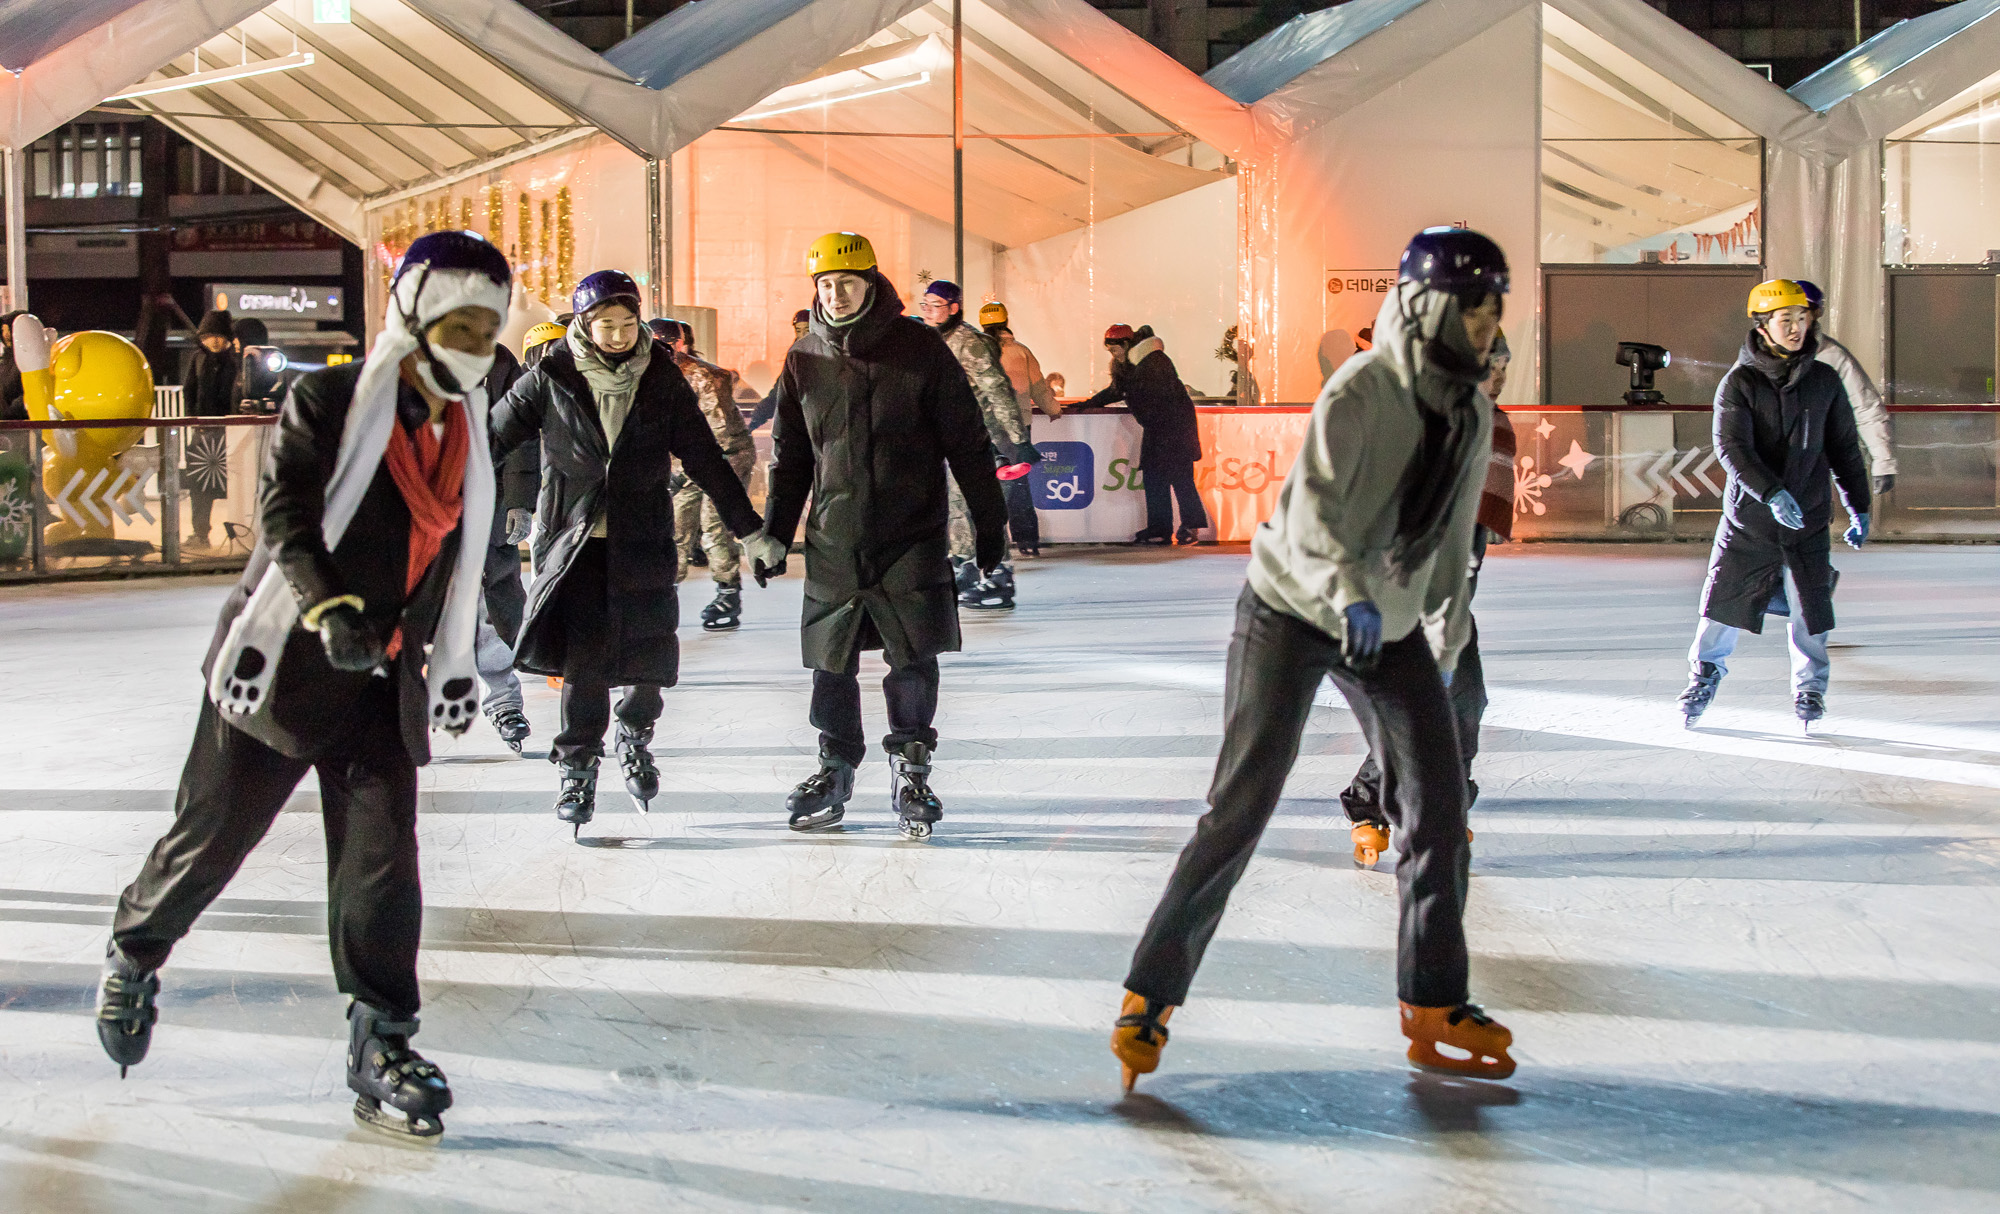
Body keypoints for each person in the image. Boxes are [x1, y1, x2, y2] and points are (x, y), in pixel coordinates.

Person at [95, 229, 511, 1140]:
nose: (476, 343)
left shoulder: (469, 432)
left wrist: (478, 651)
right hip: (283, 664)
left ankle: (381, 1039)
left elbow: (472, 557)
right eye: (461, 322)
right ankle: (135, 950)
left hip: (383, 681)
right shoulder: (327, 397)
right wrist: (327, 611)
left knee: (381, 864)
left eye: (490, 327)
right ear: (414, 314)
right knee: (211, 839)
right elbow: (283, 514)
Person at [1112, 227, 1516, 1092]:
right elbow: (1316, 520)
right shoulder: (1362, 391)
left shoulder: (1474, 409)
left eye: (1492, 311)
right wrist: (1352, 600)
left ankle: (1435, 1002)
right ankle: (1151, 991)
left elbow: (1449, 544)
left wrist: (1441, 648)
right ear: (1422, 307)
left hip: (1391, 623)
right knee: (1240, 805)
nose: (1483, 328)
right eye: (1469, 310)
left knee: (1437, 810)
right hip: (1294, 608)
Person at [748, 232, 1007, 840]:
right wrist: (774, 533)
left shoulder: (918, 348)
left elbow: (967, 441)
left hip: (910, 534)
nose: (836, 295)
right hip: (835, 538)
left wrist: (992, 521)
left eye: (848, 283)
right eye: (825, 285)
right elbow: (790, 459)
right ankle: (835, 765)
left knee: (912, 656)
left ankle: (911, 766)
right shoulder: (803, 356)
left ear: (872, 283)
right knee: (829, 662)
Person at [491, 271, 762, 830]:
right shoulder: (552, 374)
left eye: (627, 323)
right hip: (574, 543)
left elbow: (703, 455)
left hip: (643, 537)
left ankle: (636, 734)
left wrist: (750, 528)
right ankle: (578, 764)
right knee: (584, 662)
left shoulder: (662, 377)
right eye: (605, 325)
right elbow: (490, 438)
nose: (617, 335)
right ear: (584, 325)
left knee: (648, 657)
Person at [1339, 328, 1515, 867]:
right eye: (1486, 365)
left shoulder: (1495, 426)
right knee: (1413, 717)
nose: (1496, 376)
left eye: (1502, 365)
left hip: (1447, 600)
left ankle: (1438, 807)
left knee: (1463, 705)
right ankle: (1384, 804)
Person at [1679, 279, 1871, 732]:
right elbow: (1731, 447)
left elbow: (1844, 447)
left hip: (1806, 519)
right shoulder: (1739, 383)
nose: (1797, 328)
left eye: (1803, 319)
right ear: (1763, 326)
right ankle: (1704, 675)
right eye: (1787, 320)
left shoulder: (1823, 381)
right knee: (1722, 604)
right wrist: (1770, 492)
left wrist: (1859, 505)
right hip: (1749, 521)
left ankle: (1810, 688)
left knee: (1810, 606)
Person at [475, 320, 564, 753]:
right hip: (424, 509)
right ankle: (407, 716)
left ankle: (504, 702)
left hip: (485, 501)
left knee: (493, 601)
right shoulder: (400, 364)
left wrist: (516, 500)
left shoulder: (496, 362)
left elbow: (518, 438)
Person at [920, 281, 1036, 609]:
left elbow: (999, 392)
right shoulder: (932, 341)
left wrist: (1019, 440)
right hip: (951, 441)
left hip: (983, 440)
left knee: (981, 508)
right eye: (925, 304)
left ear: (954, 308)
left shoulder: (969, 344)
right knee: (956, 507)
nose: (929, 311)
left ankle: (998, 575)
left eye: (936, 305)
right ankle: (965, 569)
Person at [652, 317, 756, 630]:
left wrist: (681, 472)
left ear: (677, 344)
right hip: (686, 461)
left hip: (725, 458)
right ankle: (665, 592)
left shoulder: (705, 376)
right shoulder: (650, 374)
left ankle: (728, 592)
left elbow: (721, 434)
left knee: (714, 526)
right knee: (677, 527)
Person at [1082, 323, 1209, 545]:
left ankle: (1191, 525)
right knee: (1154, 478)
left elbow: (1159, 397)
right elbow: (1116, 391)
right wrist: (1088, 403)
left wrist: (1144, 409)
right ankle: (1160, 528)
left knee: (1181, 477)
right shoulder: (1130, 366)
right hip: (1157, 428)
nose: (1112, 355)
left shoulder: (1154, 361)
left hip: (1175, 427)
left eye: (1114, 350)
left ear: (1125, 344)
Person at [1797, 280, 1896, 495]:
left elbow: (1865, 407)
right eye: (1788, 314)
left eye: (1803, 313)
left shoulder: (1832, 357)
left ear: (1816, 314)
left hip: (1814, 466)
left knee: (1812, 520)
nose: (1796, 323)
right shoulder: (1755, 358)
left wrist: (1883, 461)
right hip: (1765, 468)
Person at [980, 301, 1054, 557]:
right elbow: (1039, 386)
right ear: (1006, 322)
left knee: (987, 484)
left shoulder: (977, 351)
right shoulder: (1021, 352)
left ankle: (993, 542)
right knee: (1019, 482)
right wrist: (1053, 409)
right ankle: (1026, 539)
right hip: (1018, 426)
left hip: (986, 426)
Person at [181, 310, 241, 550]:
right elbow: (189, 391)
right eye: (209, 336)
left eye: (220, 336)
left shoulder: (238, 362)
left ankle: (241, 531)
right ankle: (200, 533)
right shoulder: (197, 360)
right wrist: (192, 420)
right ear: (202, 338)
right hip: (203, 433)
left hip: (232, 434)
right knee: (199, 487)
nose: (215, 341)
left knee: (237, 483)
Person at [748, 309, 813, 432]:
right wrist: (757, 418)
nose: (803, 335)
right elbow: (781, 389)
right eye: (798, 330)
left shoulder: (826, 354)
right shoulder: (795, 355)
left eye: (807, 330)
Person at [0, 309, 27, 420]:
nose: (6, 334)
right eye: (3, 330)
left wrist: (9, 413)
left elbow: (29, 393)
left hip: (19, 424)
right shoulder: (4, 361)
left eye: (9, 329)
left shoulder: (27, 358)